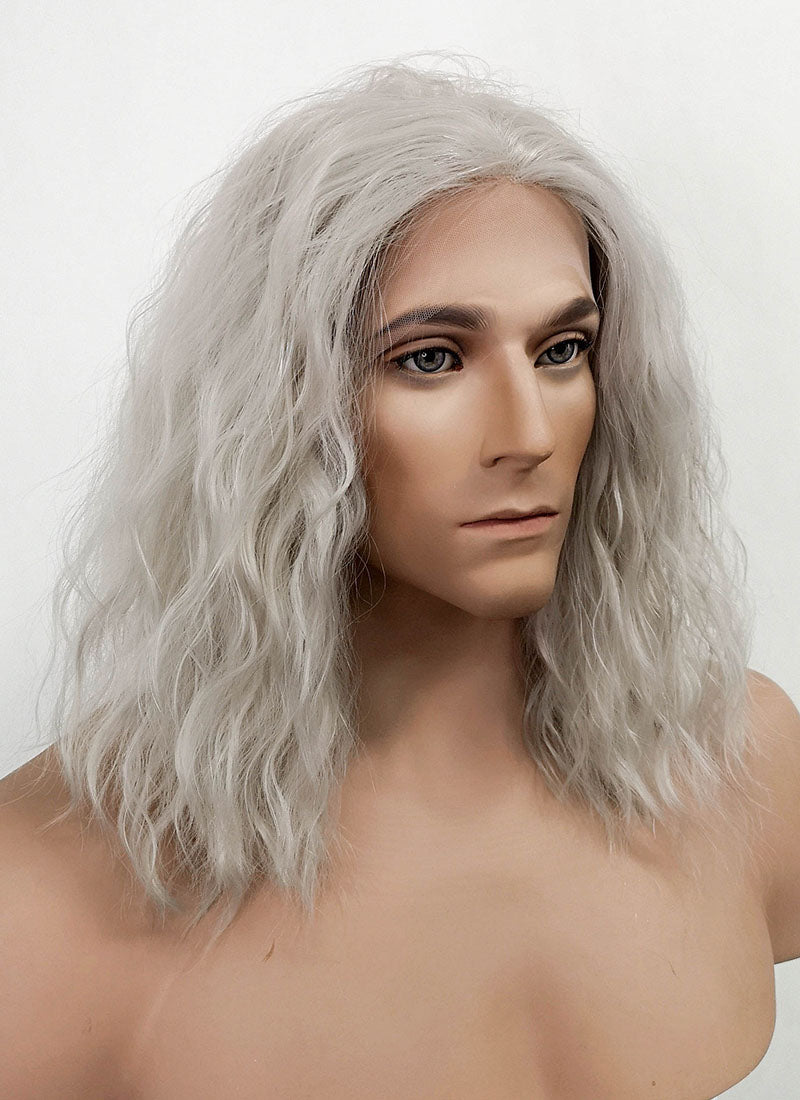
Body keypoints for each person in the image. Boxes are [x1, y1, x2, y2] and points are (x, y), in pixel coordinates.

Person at [2, 51, 799, 1098]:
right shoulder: (42, 896)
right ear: (276, 414)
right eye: (430, 358)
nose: (528, 433)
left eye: (561, 349)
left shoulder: (744, 761)